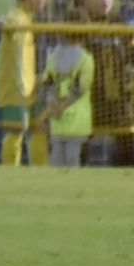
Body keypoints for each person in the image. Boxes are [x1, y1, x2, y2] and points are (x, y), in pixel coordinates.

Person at [80, 0, 134, 167]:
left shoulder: (120, 26)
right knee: (78, 151)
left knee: (127, 152)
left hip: (117, 102)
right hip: (86, 100)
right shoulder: (79, 24)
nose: (105, 0)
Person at [0, 0, 49, 166]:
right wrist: (2, 23)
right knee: (15, 131)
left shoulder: (28, 18)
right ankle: (10, 171)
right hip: (14, 87)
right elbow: (10, 24)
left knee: (39, 127)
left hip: (30, 85)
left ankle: (40, 169)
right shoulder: (16, 16)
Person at [38, 31, 95, 168]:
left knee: (57, 159)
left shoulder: (53, 58)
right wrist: (56, 109)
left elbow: (49, 86)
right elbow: (79, 89)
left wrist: (52, 110)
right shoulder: (86, 59)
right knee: (71, 160)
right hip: (76, 120)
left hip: (59, 119)